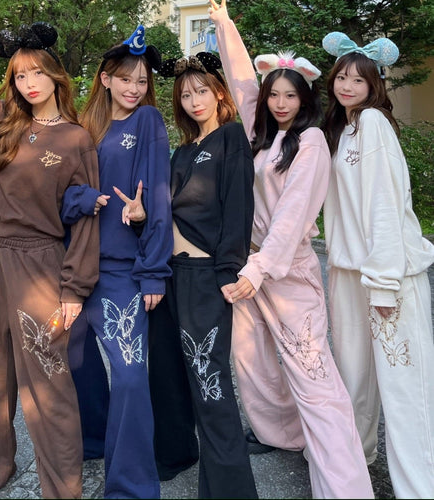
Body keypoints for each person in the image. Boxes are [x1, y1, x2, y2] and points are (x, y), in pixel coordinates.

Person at [209, 1, 374, 498]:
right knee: (251, 361)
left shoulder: (310, 143)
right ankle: (280, 434)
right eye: (274, 94)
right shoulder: (260, 133)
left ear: (305, 99)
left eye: (291, 95)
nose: (281, 103)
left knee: (313, 375)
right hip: (249, 266)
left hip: (284, 270)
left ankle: (346, 485)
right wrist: (223, 24)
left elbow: (293, 215)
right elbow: (242, 82)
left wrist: (259, 269)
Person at [0, 22, 100, 499]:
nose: (29, 83)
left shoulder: (76, 140)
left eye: (37, 73)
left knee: (47, 378)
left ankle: (63, 485)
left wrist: (75, 288)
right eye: (19, 75)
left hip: (38, 264)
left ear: (55, 75)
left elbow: (87, 219)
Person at [59, 25, 173, 499]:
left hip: (124, 270)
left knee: (128, 375)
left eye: (142, 81)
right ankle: (94, 443)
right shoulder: (81, 127)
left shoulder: (148, 121)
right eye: (125, 79)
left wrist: (153, 270)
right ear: (105, 79)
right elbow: (57, 196)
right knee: (76, 363)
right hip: (75, 268)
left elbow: (158, 197)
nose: (134, 88)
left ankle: (131, 486)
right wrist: (82, 199)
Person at [321, 31, 434, 499]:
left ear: (374, 85)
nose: (347, 86)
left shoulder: (373, 123)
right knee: (355, 380)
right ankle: (354, 466)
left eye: (358, 79)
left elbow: (385, 205)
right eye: (341, 77)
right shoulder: (342, 128)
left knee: (405, 389)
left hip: (389, 276)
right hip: (349, 273)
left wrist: (384, 283)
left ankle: (420, 488)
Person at [153, 51, 258, 499]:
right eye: (185, 95)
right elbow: (167, 210)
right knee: (167, 374)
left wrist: (228, 269)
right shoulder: (182, 151)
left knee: (208, 382)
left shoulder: (231, 138)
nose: (195, 101)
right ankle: (177, 454)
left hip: (203, 275)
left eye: (202, 91)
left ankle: (231, 491)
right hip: (168, 274)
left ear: (218, 93)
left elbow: (238, 206)